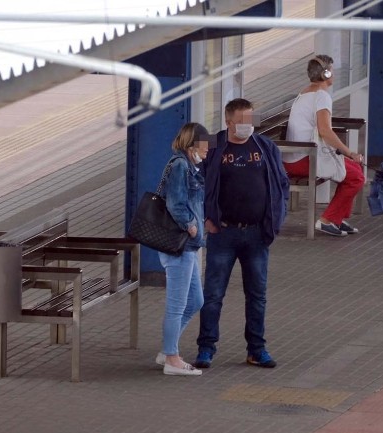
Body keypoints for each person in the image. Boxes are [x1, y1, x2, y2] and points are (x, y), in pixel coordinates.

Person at [194, 98, 290, 369]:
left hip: (257, 235)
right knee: (213, 294)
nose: (249, 126)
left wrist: (275, 220)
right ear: (228, 122)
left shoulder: (265, 146)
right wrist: (207, 218)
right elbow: (194, 180)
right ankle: (206, 348)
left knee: (257, 295)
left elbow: (281, 184)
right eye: (243, 121)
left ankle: (257, 349)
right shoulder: (211, 143)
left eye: (251, 120)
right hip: (223, 234)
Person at [283, 54, 366, 237]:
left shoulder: (305, 93)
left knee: (353, 170)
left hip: (295, 156)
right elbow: (325, 131)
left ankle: (336, 218)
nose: (334, 75)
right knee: (356, 177)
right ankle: (327, 220)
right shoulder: (321, 96)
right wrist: (349, 152)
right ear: (327, 74)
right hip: (304, 159)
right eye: (333, 72)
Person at [155, 122, 210, 376]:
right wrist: (191, 226)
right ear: (191, 146)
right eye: (204, 144)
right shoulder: (180, 166)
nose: (208, 149)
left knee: (196, 300)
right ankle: (172, 359)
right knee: (176, 306)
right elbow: (176, 203)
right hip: (179, 245)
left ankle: (168, 349)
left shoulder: (190, 166)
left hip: (189, 246)